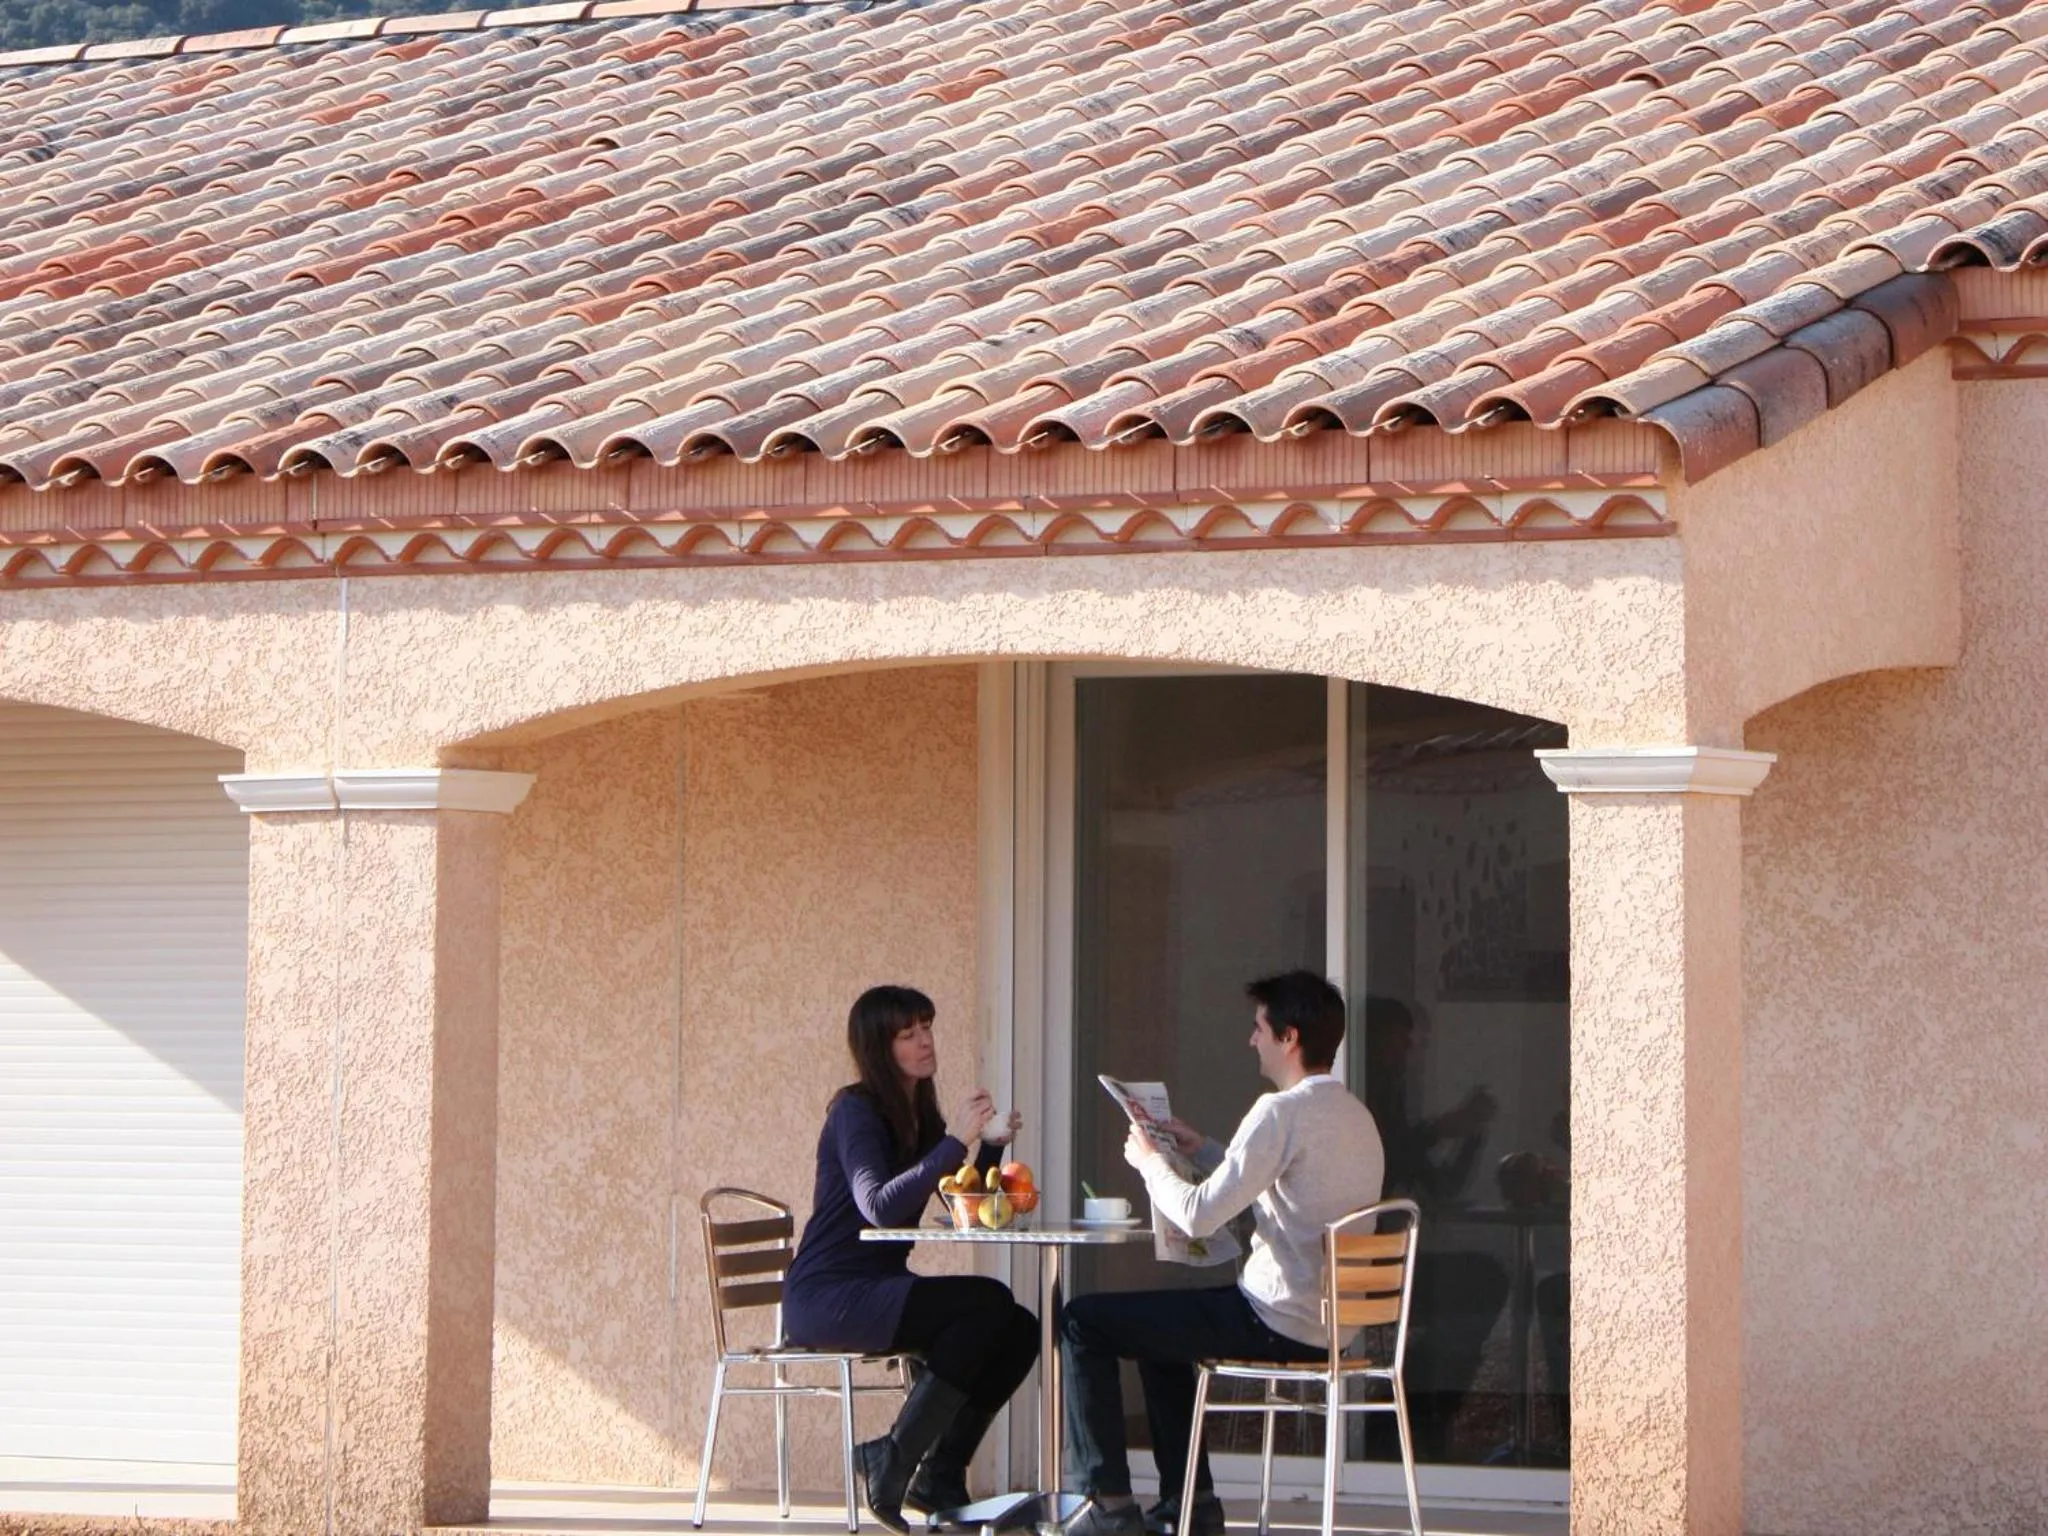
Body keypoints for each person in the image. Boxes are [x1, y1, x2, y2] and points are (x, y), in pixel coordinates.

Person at [1061, 971, 1385, 1536]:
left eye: (1259, 1028)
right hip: (1331, 1326)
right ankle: (1193, 1505)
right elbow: (1277, 1182)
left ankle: (1109, 1506)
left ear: (1289, 1037)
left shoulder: (1278, 1112)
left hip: (1275, 1320)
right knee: (1158, 1332)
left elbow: (1196, 1214)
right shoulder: (1355, 1116)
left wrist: (1150, 1162)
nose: (1250, 1040)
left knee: (1083, 1321)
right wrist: (1202, 1148)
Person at [783, 985, 1039, 1533]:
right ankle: (895, 1459)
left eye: (927, 1027)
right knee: (986, 1302)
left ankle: (939, 1474)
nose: (926, 1041)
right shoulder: (855, 1111)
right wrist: (953, 1141)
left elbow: (956, 1200)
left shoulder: (917, 1111)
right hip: (830, 1296)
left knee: (1019, 1328)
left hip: (879, 1288)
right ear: (880, 1047)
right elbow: (878, 1206)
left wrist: (989, 1146)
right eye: (909, 1034)